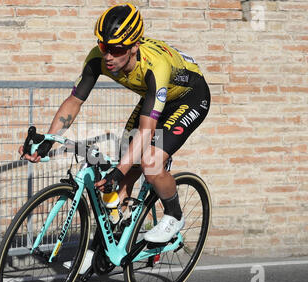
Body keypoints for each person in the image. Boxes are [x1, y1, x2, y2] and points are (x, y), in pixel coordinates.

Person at [19, 3, 210, 246]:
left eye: (117, 49)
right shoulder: (99, 58)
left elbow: (146, 130)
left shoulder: (155, 66)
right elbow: (75, 100)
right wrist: (48, 140)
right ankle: (112, 242)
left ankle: (174, 215)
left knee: (149, 163)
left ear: (134, 47)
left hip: (189, 98)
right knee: (123, 172)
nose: (108, 56)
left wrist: (119, 171)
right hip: (154, 100)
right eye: (104, 47)